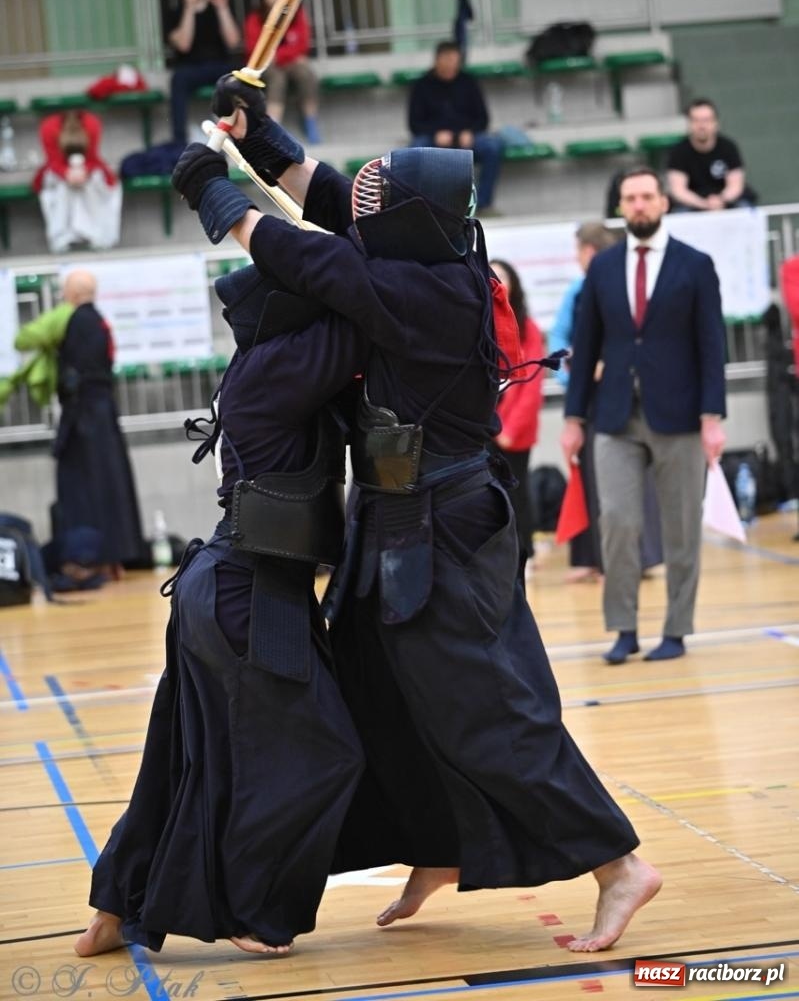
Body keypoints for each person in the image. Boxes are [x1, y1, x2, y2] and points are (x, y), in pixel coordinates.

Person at [170, 78, 663, 954]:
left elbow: (295, 250)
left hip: (439, 525)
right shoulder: (444, 251)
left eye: (379, 197)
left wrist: (211, 186)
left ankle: (617, 864)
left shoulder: (416, 293)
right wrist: (260, 135)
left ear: (403, 222)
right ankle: (435, 847)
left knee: (488, 708)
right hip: (399, 521)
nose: (363, 204)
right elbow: (333, 201)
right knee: (380, 690)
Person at [76, 263, 367, 958]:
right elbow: (366, 316)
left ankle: (115, 904)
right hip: (247, 596)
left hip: (227, 589)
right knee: (324, 754)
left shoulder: (262, 364)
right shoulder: (281, 366)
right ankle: (250, 910)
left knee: (183, 756)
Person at [561, 167, 727, 664]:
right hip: (614, 415)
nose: (638, 205)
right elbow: (585, 344)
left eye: (647, 197)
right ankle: (623, 628)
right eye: (630, 198)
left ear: (663, 203)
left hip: (678, 414)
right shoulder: (604, 268)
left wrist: (712, 415)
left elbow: (711, 345)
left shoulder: (695, 265)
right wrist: (573, 418)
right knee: (617, 521)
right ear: (621, 206)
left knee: (680, 528)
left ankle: (676, 628)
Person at [550, 223, 663, 584]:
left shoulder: (630, 286)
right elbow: (559, 339)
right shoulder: (578, 290)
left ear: (590, 251)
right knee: (594, 474)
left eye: (579, 250)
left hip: (629, 392)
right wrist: (576, 374)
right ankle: (597, 559)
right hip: (590, 398)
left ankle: (641, 556)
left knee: (635, 473)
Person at [14, 270, 143, 575]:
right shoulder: (97, 320)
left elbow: (26, 340)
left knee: (80, 487)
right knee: (108, 483)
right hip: (103, 413)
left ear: (70, 295)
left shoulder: (73, 320)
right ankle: (114, 554)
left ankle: (86, 557)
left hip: (83, 416)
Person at [489, 258, 545, 573]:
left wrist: (508, 426)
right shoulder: (477, 318)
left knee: (517, 490)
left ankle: (526, 550)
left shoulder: (528, 327)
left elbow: (531, 382)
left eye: (503, 276)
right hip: (483, 423)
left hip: (513, 428)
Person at [408, 40, 504, 215]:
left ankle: (483, 204)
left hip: (467, 136)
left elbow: (483, 118)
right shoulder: (422, 85)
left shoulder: (469, 82)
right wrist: (435, 133)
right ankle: (423, 207)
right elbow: (414, 123)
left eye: (455, 61)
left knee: (492, 147)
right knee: (415, 150)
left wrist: (470, 132)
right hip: (434, 138)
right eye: (448, 61)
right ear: (437, 60)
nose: (452, 66)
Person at [165, 0, 240, 145]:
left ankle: (244, 135)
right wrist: (189, 9)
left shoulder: (218, 8)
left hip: (220, 66)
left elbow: (233, 42)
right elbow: (183, 45)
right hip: (190, 69)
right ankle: (179, 141)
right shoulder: (174, 14)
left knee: (241, 76)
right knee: (178, 80)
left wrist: (222, 7)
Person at [243, 0, 321, 144]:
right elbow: (255, 49)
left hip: (288, 62)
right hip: (265, 66)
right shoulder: (255, 18)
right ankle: (273, 130)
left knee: (306, 74)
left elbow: (303, 44)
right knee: (277, 79)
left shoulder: (296, 13)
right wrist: (283, 56)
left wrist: (279, 55)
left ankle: (310, 122)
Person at [33, 109, 122, 253]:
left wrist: (84, 171)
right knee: (60, 185)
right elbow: (53, 160)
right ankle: (61, 238)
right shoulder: (49, 126)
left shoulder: (91, 122)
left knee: (94, 181)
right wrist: (66, 173)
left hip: (88, 172)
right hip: (60, 174)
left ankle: (97, 235)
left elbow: (93, 157)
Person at [666, 99, 757, 213]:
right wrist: (704, 204)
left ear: (716, 123)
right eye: (696, 120)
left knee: (747, 210)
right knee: (679, 214)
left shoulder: (728, 147)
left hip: (726, 201)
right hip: (692, 204)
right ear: (689, 123)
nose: (701, 125)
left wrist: (720, 200)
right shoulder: (678, 151)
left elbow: (735, 185)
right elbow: (678, 191)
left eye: (706, 120)